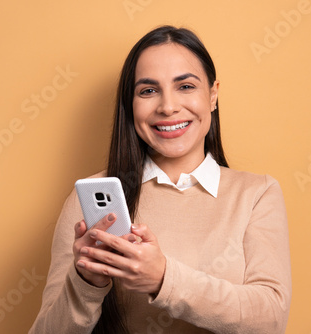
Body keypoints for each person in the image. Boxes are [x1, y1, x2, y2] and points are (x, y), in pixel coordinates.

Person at [29, 25, 291, 334]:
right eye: (148, 91)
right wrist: (86, 281)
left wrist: (163, 278)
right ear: (131, 104)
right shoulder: (90, 201)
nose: (167, 107)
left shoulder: (256, 194)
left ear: (213, 96)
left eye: (185, 86)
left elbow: (271, 318)